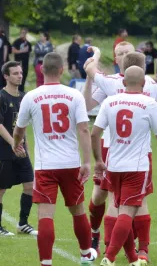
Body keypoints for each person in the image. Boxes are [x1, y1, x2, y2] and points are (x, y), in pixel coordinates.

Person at [83, 46, 157, 263]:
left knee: (119, 202)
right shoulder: (149, 87)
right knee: (128, 202)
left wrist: (94, 55)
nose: (122, 56)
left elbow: (91, 70)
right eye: (119, 52)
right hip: (137, 155)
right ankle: (133, 251)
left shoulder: (111, 84)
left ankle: (119, 250)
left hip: (113, 152)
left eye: (125, 52)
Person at [12, 52, 99, 266]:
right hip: (70, 164)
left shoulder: (31, 96)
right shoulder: (74, 95)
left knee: (45, 216)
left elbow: (19, 130)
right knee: (77, 210)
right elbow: (84, 129)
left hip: (45, 166)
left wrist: (16, 145)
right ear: (62, 70)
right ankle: (86, 254)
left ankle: (46, 262)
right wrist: (87, 162)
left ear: (41, 70)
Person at [92, 66, 157, 266]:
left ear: (123, 83)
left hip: (113, 165)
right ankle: (109, 257)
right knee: (128, 213)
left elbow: (94, 133)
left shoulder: (110, 101)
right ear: (144, 84)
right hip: (136, 167)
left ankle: (134, 259)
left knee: (117, 209)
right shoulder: (148, 103)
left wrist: (99, 160)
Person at [0, 61, 37, 236]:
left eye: (20, 72)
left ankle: (23, 224)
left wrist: (27, 149)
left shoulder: (24, 98)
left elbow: (23, 127)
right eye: (15, 73)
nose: (19, 75)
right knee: (0, 189)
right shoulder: (0, 97)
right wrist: (13, 143)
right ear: (6, 76)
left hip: (21, 151)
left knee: (30, 185)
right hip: (4, 152)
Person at [12, 28, 32, 92]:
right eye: (21, 33)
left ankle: (21, 91)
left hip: (25, 63)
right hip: (18, 63)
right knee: (17, 77)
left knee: (23, 77)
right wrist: (22, 50)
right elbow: (13, 51)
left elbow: (29, 52)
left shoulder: (28, 43)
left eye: (24, 33)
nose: (22, 34)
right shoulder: (16, 42)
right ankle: (15, 90)